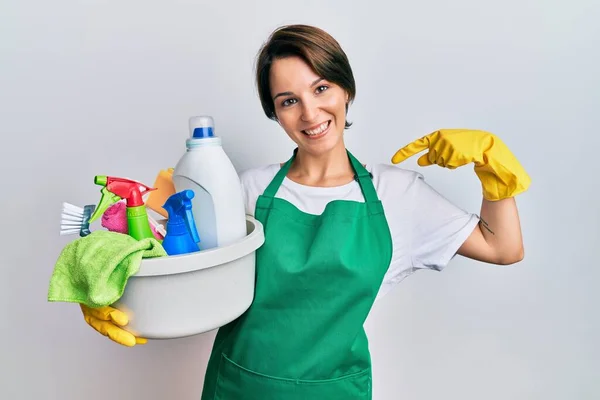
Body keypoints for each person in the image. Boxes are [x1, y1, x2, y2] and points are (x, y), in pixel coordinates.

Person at [79, 24, 530, 399]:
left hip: (334, 391)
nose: (310, 112)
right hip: (239, 388)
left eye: (321, 88)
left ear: (346, 88)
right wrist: (105, 289)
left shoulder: (398, 194)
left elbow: (502, 247)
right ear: (275, 113)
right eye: (288, 100)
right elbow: (173, 262)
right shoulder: (248, 190)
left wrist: (492, 173)